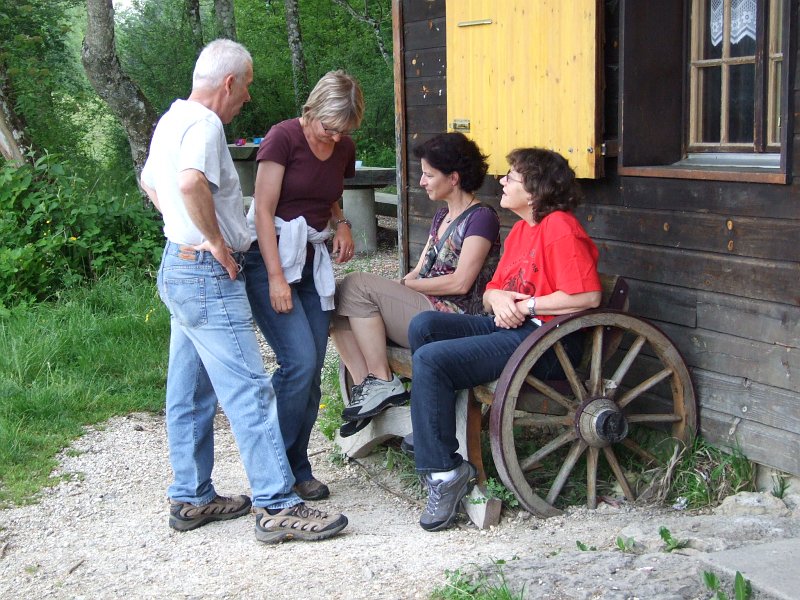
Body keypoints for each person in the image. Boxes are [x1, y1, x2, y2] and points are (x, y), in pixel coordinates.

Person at [140, 39, 347, 543]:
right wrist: (214, 241)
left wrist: (182, 231)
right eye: (247, 86)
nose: (248, 98)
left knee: (189, 392)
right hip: (207, 275)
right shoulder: (207, 124)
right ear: (229, 82)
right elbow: (190, 184)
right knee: (250, 390)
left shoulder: (173, 117)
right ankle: (277, 505)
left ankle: (191, 496)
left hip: (178, 267)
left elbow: (150, 180)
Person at [406, 148, 602, 532]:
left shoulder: (558, 226)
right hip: (511, 328)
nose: (502, 182)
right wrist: (497, 299)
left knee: (432, 361)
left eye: (511, 177)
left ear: (534, 190)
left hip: (547, 343)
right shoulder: (522, 230)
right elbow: (493, 289)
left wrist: (527, 305)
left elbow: (587, 296)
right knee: (424, 326)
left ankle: (445, 474)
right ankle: (436, 426)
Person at [243, 70, 363, 502]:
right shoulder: (283, 138)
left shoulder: (342, 146)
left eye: (342, 132)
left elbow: (328, 191)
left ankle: (296, 467)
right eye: (328, 128)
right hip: (272, 257)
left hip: (313, 260)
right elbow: (262, 209)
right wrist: (276, 277)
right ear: (312, 109)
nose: (333, 139)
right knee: (297, 364)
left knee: (310, 372)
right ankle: (272, 467)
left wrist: (342, 221)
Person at [331, 132, 501, 433]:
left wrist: (405, 288)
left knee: (356, 284)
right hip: (426, 307)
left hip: (454, 319)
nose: (422, 181)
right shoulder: (442, 216)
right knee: (336, 301)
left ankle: (383, 382)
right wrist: (400, 286)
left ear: (454, 178)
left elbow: (461, 283)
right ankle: (367, 387)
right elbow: (419, 271)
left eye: (428, 174)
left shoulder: (482, 218)